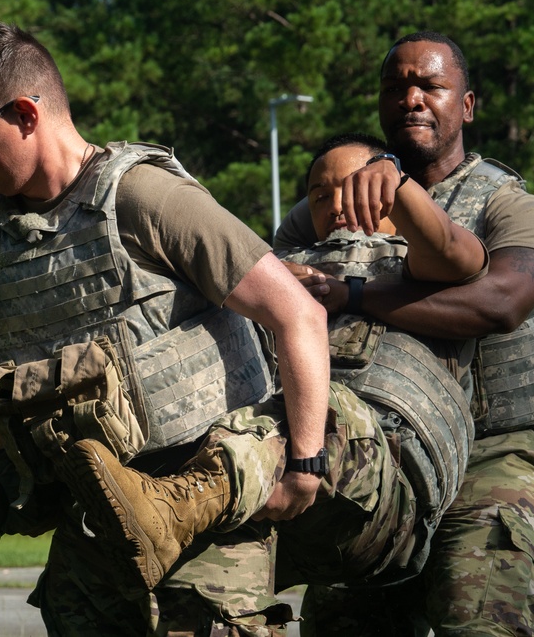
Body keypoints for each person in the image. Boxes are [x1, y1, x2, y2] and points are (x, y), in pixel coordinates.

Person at [0, 22, 333, 635]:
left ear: (26, 113)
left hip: (204, 522)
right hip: (91, 523)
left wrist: (305, 466)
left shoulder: (145, 200)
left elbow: (299, 313)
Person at [61, 131, 488, 611]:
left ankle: (178, 506)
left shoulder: (422, 269)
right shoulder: (284, 267)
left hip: (389, 495)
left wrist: (395, 177)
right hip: (290, 503)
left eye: (353, 187)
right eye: (320, 195)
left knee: (318, 406)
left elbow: (455, 250)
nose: (336, 204)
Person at [275, 31, 534, 637]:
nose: (411, 98)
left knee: (484, 612)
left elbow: (499, 304)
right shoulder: (325, 202)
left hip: (490, 451)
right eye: (395, 87)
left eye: (430, 85)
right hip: (373, 449)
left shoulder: (509, 207)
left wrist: (353, 294)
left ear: (465, 105)